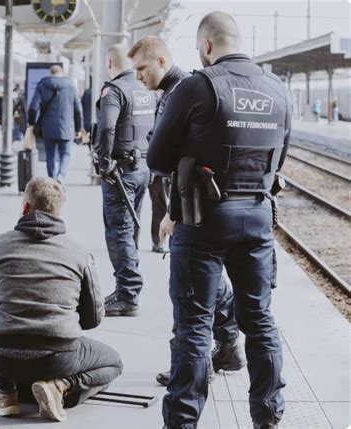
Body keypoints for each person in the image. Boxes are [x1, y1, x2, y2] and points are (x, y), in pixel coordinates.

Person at [148, 12, 292, 429]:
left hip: (204, 220)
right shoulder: (277, 90)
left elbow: (157, 158)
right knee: (260, 319)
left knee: (194, 325)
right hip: (258, 217)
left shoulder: (197, 86)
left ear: (206, 46)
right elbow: (280, 157)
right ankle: (267, 418)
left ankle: (183, 421)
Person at [128, 35, 245, 388]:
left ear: (161, 61)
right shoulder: (176, 90)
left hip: (190, 204)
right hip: (190, 201)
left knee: (188, 287)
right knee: (203, 280)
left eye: (142, 68)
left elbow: (183, 160)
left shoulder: (184, 91)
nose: (137, 76)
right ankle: (227, 345)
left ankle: (191, 364)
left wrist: (174, 214)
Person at [0, 176, 122, 422]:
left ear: (25, 208)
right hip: (59, 359)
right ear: (59, 212)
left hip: (2, 357)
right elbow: (93, 319)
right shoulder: (78, 254)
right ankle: (60, 385)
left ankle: (3, 393)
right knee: (114, 364)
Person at [93, 44, 155, 317]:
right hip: (142, 168)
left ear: (109, 62)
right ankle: (126, 287)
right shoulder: (144, 88)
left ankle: (128, 294)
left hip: (120, 172)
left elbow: (106, 127)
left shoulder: (114, 90)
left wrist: (103, 163)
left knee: (118, 232)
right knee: (130, 231)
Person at [28, 65, 82, 183]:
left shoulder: (42, 85)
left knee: (50, 155)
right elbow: (78, 110)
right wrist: (78, 129)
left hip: (48, 128)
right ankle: (60, 176)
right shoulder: (70, 86)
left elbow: (33, 107)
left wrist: (31, 123)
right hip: (66, 127)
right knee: (66, 153)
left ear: (50, 73)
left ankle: (52, 180)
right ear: (62, 73)